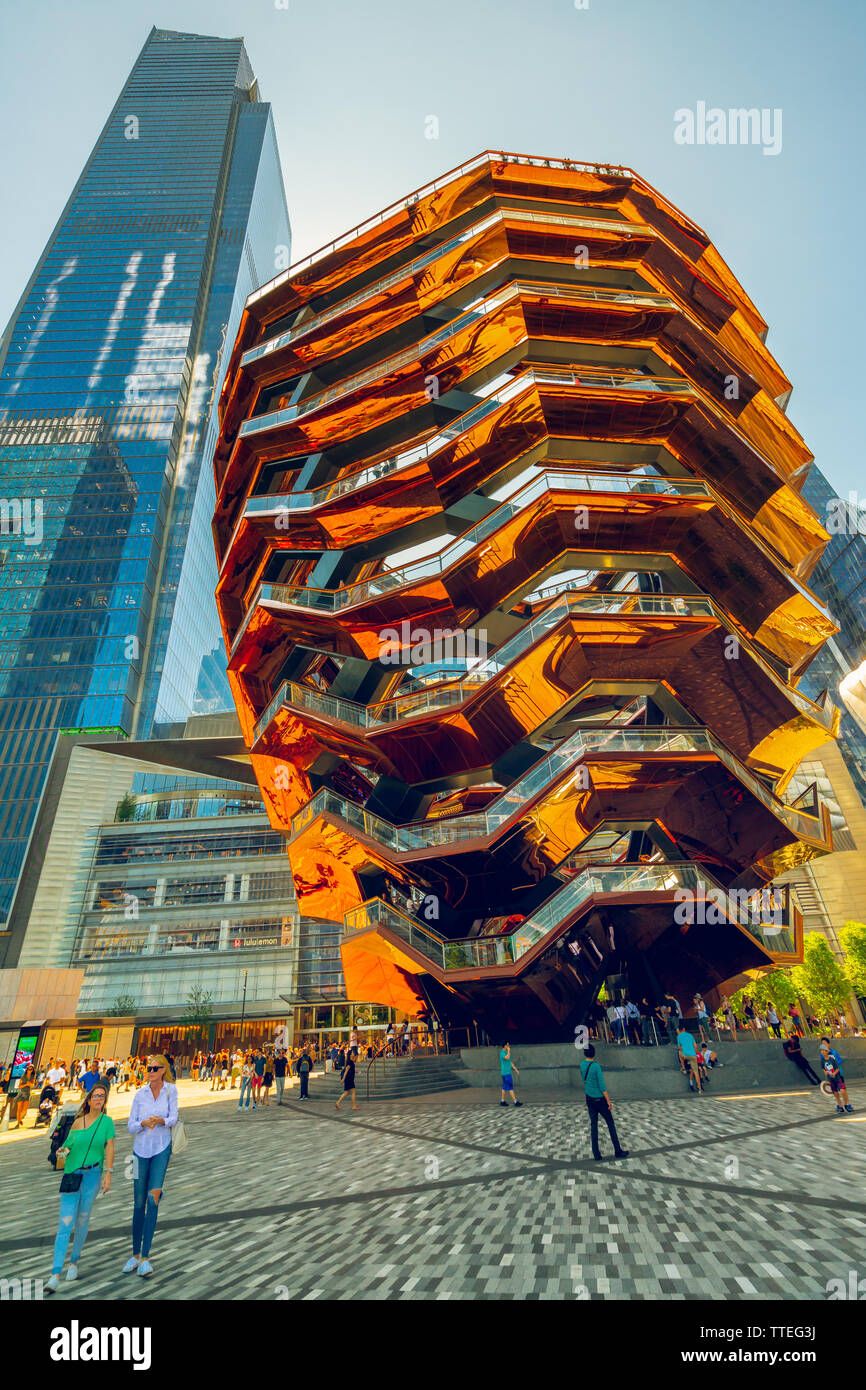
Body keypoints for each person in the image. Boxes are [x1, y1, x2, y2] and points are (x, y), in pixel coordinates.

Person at [45, 1078, 115, 1292]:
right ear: (89, 1099)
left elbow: (109, 1148)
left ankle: (74, 1261)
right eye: (95, 1096)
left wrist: (108, 1174)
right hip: (72, 1175)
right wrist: (60, 1152)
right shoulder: (78, 1122)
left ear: (104, 1101)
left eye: (102, 1097)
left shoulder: (107, 1123)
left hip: (93, 1175)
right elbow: (67, 1148)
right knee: (65, 1222)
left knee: (83, 1218)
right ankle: (55, 1273)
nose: (98, 1099)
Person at [125, 1055, 178, 1277]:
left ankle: (145, 1257)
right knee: (138, 1203)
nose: (151, 1071)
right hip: (139, 1151)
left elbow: (174, 1117)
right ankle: (135, 1253)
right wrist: (143, 1124)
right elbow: (130, 1125)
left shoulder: (170, 1091)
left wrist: (162, 1121)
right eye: (149, 1068)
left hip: (161, 1149)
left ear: (164, 1070)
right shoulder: (140, 1094)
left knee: (151, 1199)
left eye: (156, 1068)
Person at [579, 1045, 628, 1160]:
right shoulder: (596, 1067)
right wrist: (608, 1100)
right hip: (600, 1099)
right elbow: (602, 1085)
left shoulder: (582, 1065)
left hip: (589, 1098)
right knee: (610, 1124)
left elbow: (584, 1079)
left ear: (585, 1054)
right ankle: (618, 1150)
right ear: (594, 1053)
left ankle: (596, 1154)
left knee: (594, 1125)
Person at [819, 1039, 854, 1115]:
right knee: (835, 1092)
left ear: (829, 1044)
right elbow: (823, 1066)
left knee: (843, 1089)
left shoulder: (834, 1053)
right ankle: (839, 1105)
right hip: (830, 1077)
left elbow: (840, 1061)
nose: (824, 1046)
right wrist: (826, 1072)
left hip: (838, 1074)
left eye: (825, 1044)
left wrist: (834, 1064)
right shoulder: (822, 1056)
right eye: (822, 1044)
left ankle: (847, 1104)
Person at [677, 1024, 702, 1092]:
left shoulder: (679, 1036)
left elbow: (679, 1047)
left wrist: (683, 1051)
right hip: (693, 1055)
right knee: (696, 1072)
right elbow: (695, 1046)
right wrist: (695, 1053)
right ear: (684, 1029)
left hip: (685, 1055)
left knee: (679, 1053)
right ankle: (699, 1088)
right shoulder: (690, 1035)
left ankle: (683, 1067)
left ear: (679, 1030)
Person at [498, 1042, 522, 1107]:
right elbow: (507, 1058)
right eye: (507, 1045)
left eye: (509, 1045)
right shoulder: (502, 1053)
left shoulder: (506, 1052)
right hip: (506, 1073)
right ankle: (515, 1101)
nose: (509, 1046)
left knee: (505, 1087)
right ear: (504, 1046)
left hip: (506, 1073)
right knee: (510, 1087)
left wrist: (515, 1069)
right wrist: (509, 1051)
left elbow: (510, 1062)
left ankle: (502, 1101)